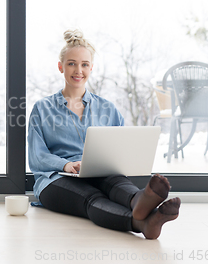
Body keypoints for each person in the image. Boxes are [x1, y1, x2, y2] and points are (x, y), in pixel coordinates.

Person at [27, 29, 180, 239]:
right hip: (54, 179)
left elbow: (121, 148)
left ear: (91, 68)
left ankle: (140, 200)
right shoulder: (42, 108)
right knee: (92, 198)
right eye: (71, 63)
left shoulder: (107, 108)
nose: (78, 70)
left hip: (98, 172)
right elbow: (37, 156)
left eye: (84, 64)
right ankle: (141, 223)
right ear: (60, 67)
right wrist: (66, 165)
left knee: (118, 184)